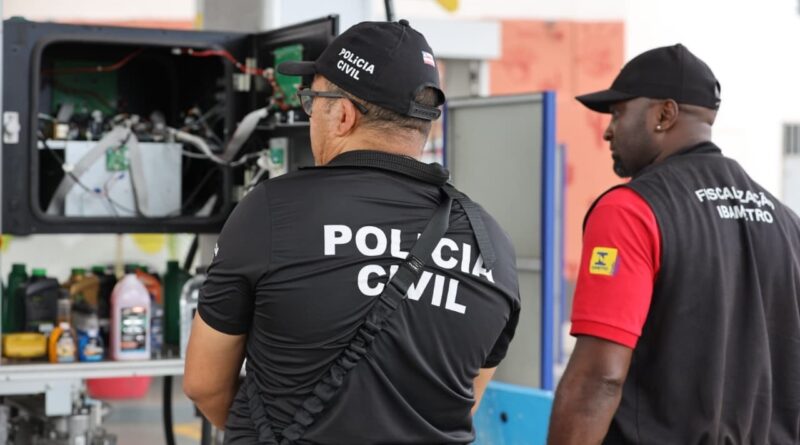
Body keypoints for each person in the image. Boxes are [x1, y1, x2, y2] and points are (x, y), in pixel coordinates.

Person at [183, 20, 521, 444]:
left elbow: (204, 384)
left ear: (343, 115)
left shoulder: (270, 211)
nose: (310, 115)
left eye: (312, 101)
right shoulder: (492, 244)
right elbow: (462, 401)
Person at [548, 43, 800, 444]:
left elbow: (599, 378)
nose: (609, 130)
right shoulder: (787, 223)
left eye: (618, 113)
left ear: (664, 115)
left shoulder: (631, 211)